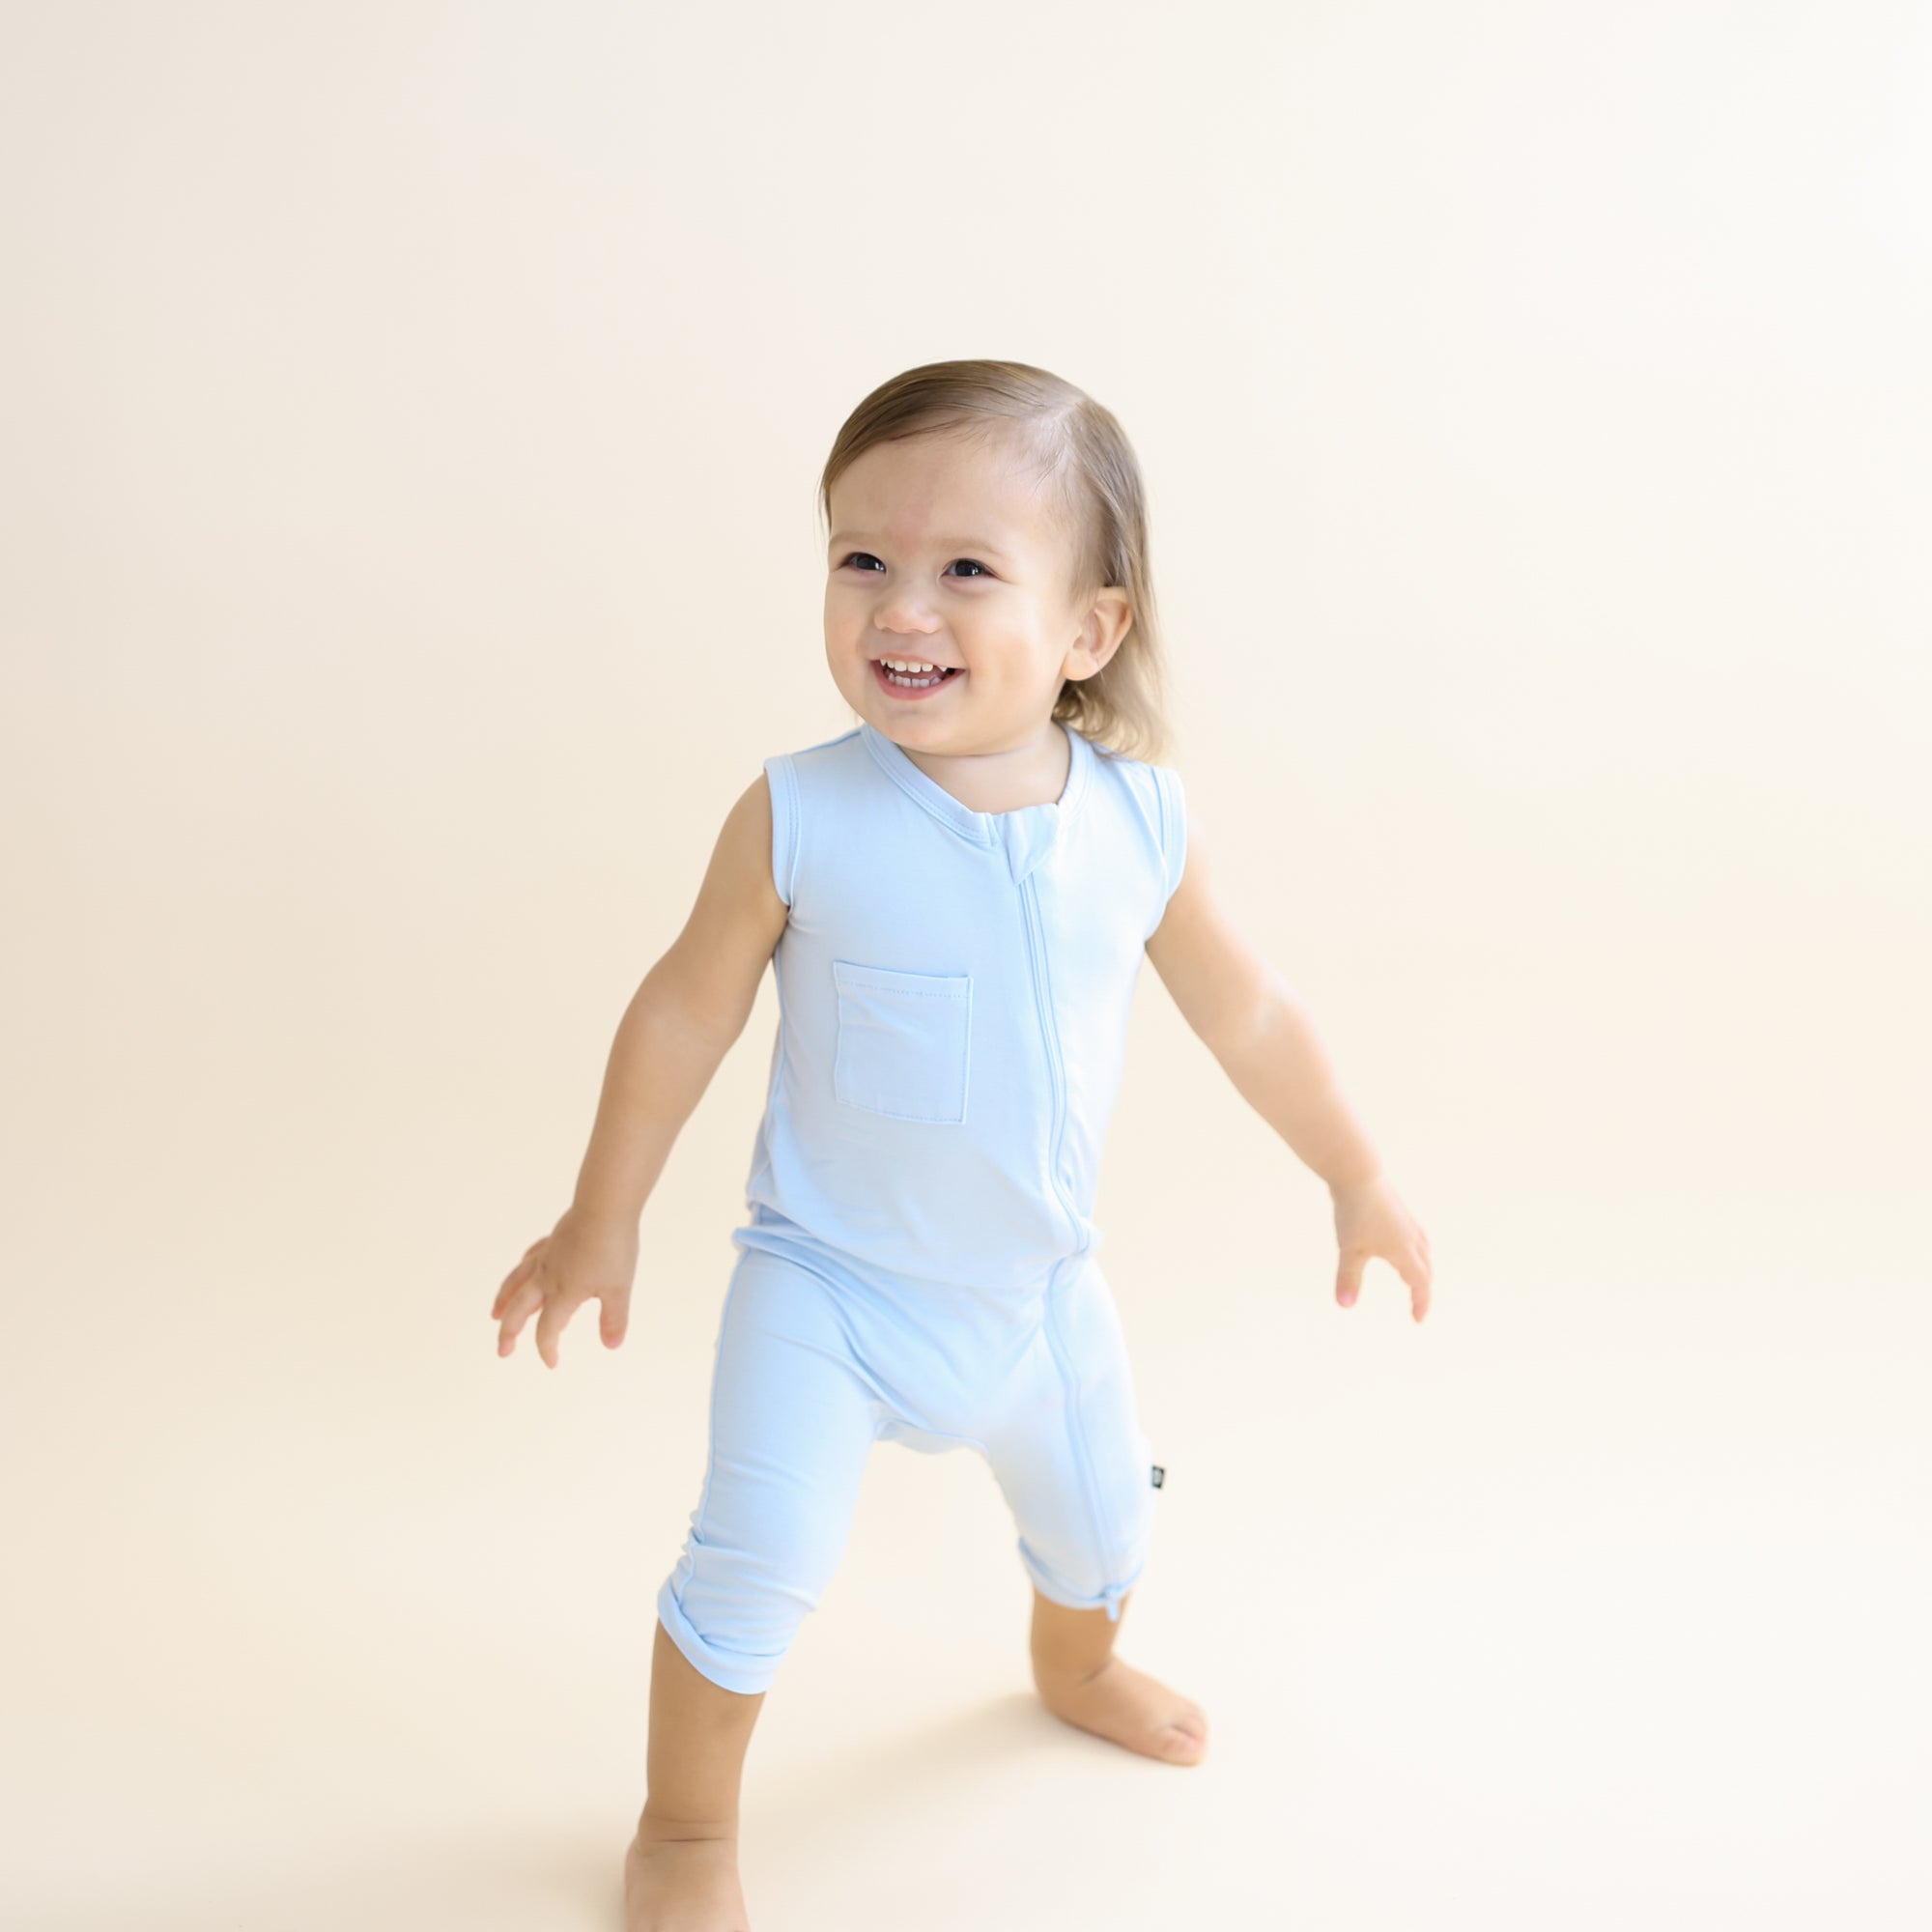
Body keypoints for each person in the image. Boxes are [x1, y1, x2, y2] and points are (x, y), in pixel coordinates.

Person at [489, 359, 1435, 1931]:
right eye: (863, 559)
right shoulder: (801, 812)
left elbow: (1250, 1015)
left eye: (965, 572)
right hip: (827, 1294)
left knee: (1102, 1528)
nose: (898, 607)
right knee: (751, 1565)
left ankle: (1077, 1668)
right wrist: (604, 1216)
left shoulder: (1139, 825)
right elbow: (680, 1017)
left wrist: (1356, 1171)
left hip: (1038, 1299)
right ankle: (680, 1827)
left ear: (1088, 630)